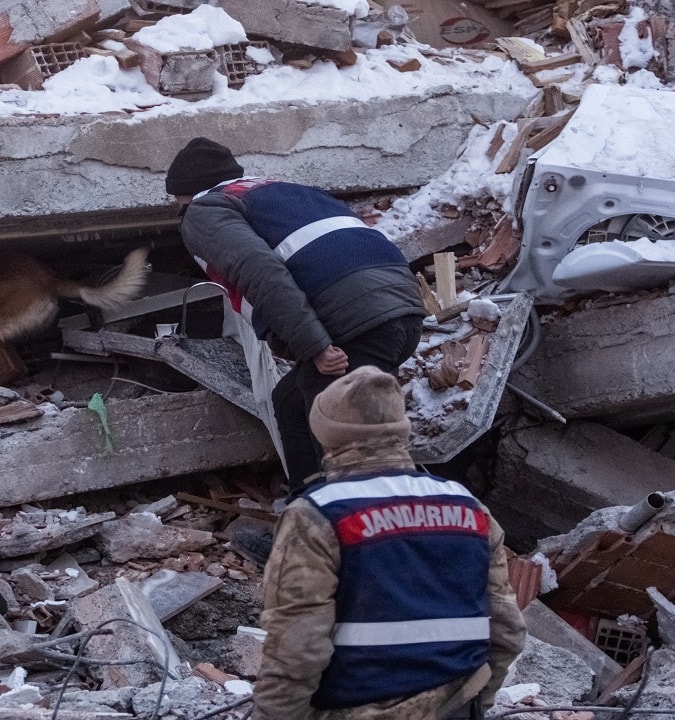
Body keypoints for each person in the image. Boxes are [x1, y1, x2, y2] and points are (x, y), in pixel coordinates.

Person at [251, 366, 526, 720]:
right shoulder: (468, 508)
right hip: (457, 706)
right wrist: (475, 703)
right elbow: (507, 630)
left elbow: (297, 649)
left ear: (326, 436)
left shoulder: (317, 515)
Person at [165, 137, 427, 496]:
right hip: (402, 311)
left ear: (185, 194)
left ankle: (352, 540)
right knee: (291, 404)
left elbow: (260, 272)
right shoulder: (283, 191)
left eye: (177, 203)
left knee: (344, 454)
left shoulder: (203, 210)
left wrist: (314, 346)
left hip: (355, 322)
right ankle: (305, 515)